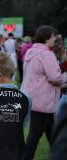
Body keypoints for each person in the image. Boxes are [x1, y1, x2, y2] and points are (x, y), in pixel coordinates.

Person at [21, 25, 67, 160]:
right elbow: (55, 78)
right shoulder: (46, 54)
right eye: (53, 37)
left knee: (50, 132)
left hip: (33, 99)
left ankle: (60, 153)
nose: (54, 39)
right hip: (42, 101)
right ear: (47, 38)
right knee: (35, 135)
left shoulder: (31, 52)